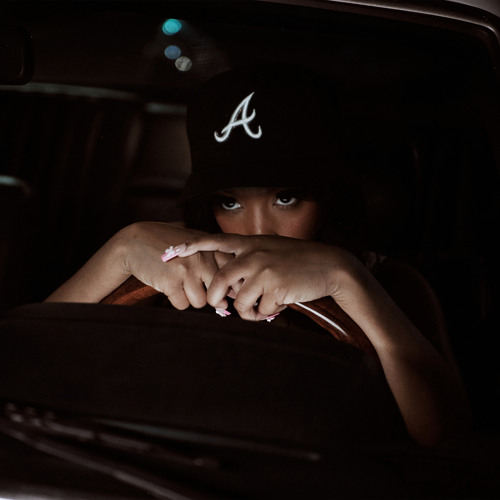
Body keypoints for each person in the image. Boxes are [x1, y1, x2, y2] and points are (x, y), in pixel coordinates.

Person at [45, 63, 471, 447]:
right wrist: (120, 249)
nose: (258, 232)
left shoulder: (390, 282)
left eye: (286, 198)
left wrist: (346, 278)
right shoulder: (174, 276)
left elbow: (445, 439)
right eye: (230, 202)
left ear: (329, 199)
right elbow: (27, 368)